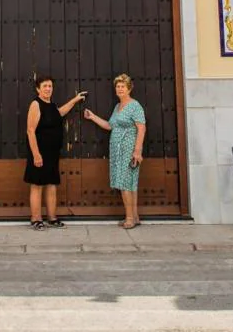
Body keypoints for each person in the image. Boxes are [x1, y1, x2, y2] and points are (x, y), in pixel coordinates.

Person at [83, 73, 146, 229]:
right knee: (129, 184)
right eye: (117, 87)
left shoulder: (135, 105)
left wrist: (137, 151)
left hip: (129, 149)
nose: (119, 89)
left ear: (129, 88)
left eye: (122, 86)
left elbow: (142, 128)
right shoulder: (118, 107)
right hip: (117, 151)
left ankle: (130, 218)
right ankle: (135, 216)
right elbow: (110, 125)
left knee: (126, 183)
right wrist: (92, 117)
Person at [24, 75, 86, 230]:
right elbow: (30, 131)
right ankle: (36, 219)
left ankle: (52, 218)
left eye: (50, 86)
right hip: (39, 152)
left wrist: (75, 100)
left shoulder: (51, 106)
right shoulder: (35, 104)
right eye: (45, 86)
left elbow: (60, 112)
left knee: (51, 185)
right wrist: (36, 155)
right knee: (37, 185)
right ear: (38, 89)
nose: (48, 89)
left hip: (52, 153)